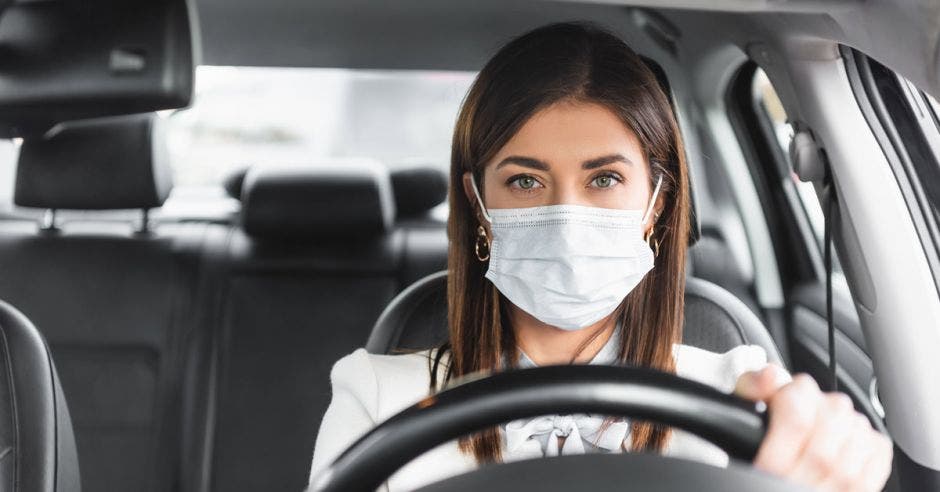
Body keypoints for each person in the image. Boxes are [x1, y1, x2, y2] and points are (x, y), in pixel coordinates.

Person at [310, 22, 893, 491]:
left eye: (605, 178)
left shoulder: (738, 391)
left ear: (659, 202)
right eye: (525, 182)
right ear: (477, 203)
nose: (567, 215)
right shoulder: (378, 397)